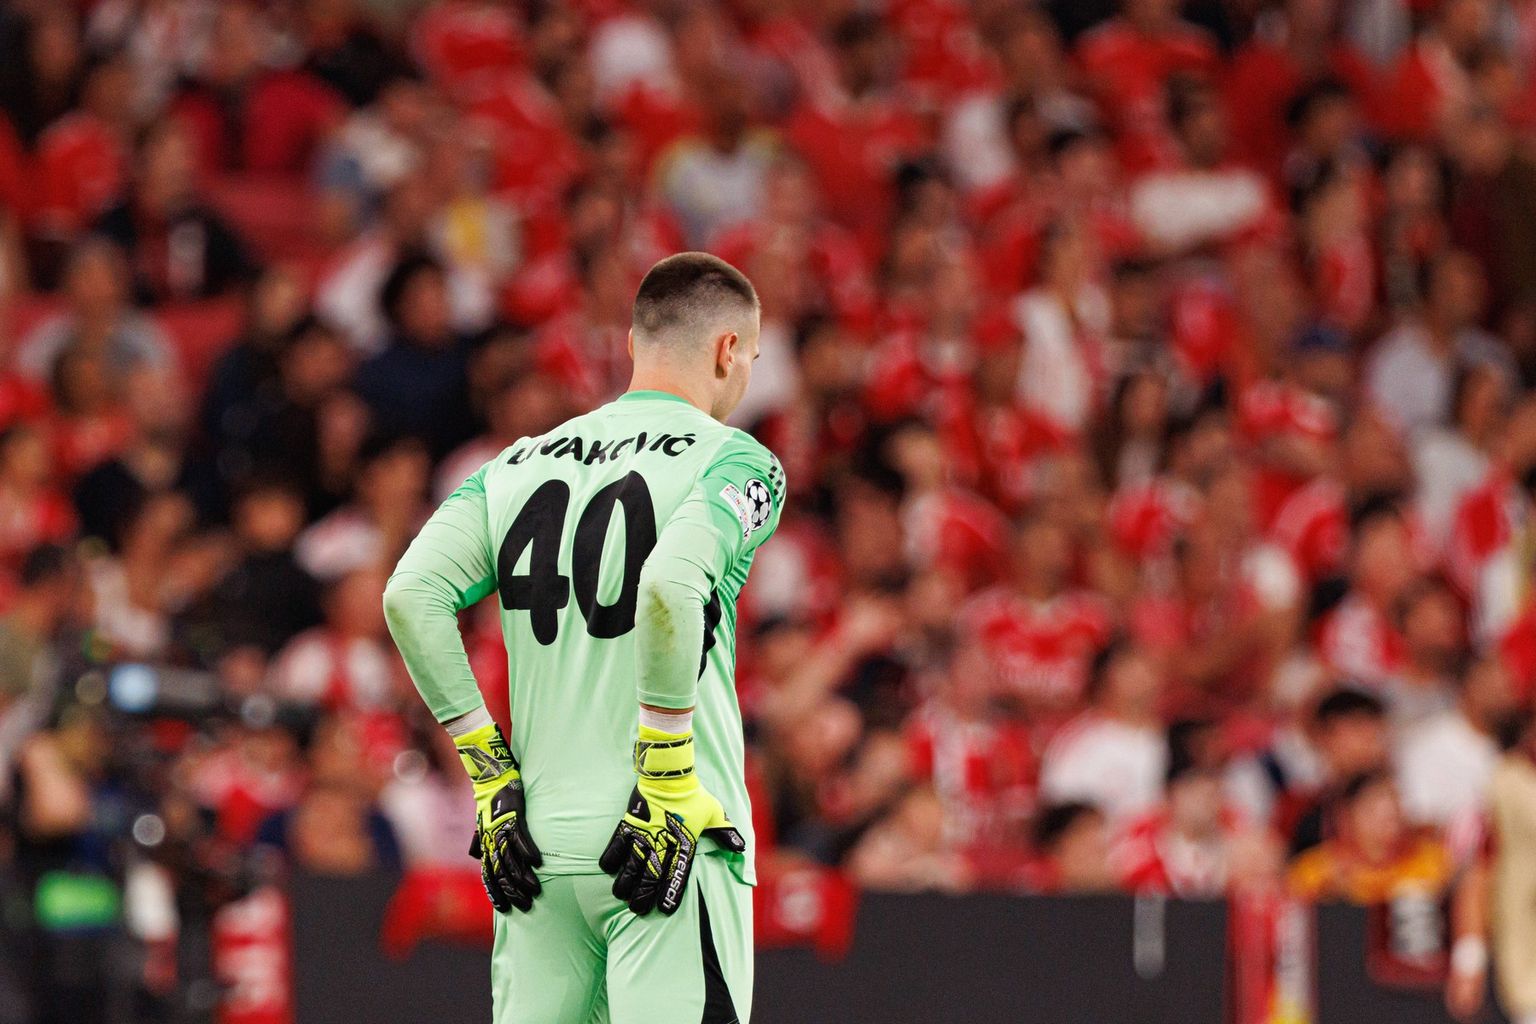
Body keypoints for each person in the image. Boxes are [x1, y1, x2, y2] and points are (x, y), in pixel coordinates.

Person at [384, 252, 784, 1022]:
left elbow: (411, 595)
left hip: (534, 841)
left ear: (634, 345)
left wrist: (488, 772)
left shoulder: (514, 464)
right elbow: (670, 586)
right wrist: (666, 770)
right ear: (729, 350)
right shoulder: (735, 459)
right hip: (664, 838)